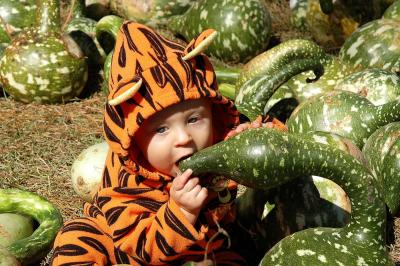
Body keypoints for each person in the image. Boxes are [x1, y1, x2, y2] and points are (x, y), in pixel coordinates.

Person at [51, 21, 286, 266]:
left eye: (194, 119)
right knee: (76, 237)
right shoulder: (125, 182)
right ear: (134, 142)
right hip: (128, 249)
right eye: (161, 129)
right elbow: (141, 247)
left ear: (212, 113)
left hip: (208, 244)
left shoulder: (222, 136)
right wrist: (181, 213)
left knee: (239, 254)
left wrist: (261, 135)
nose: (184, 138)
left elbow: (277, 138)